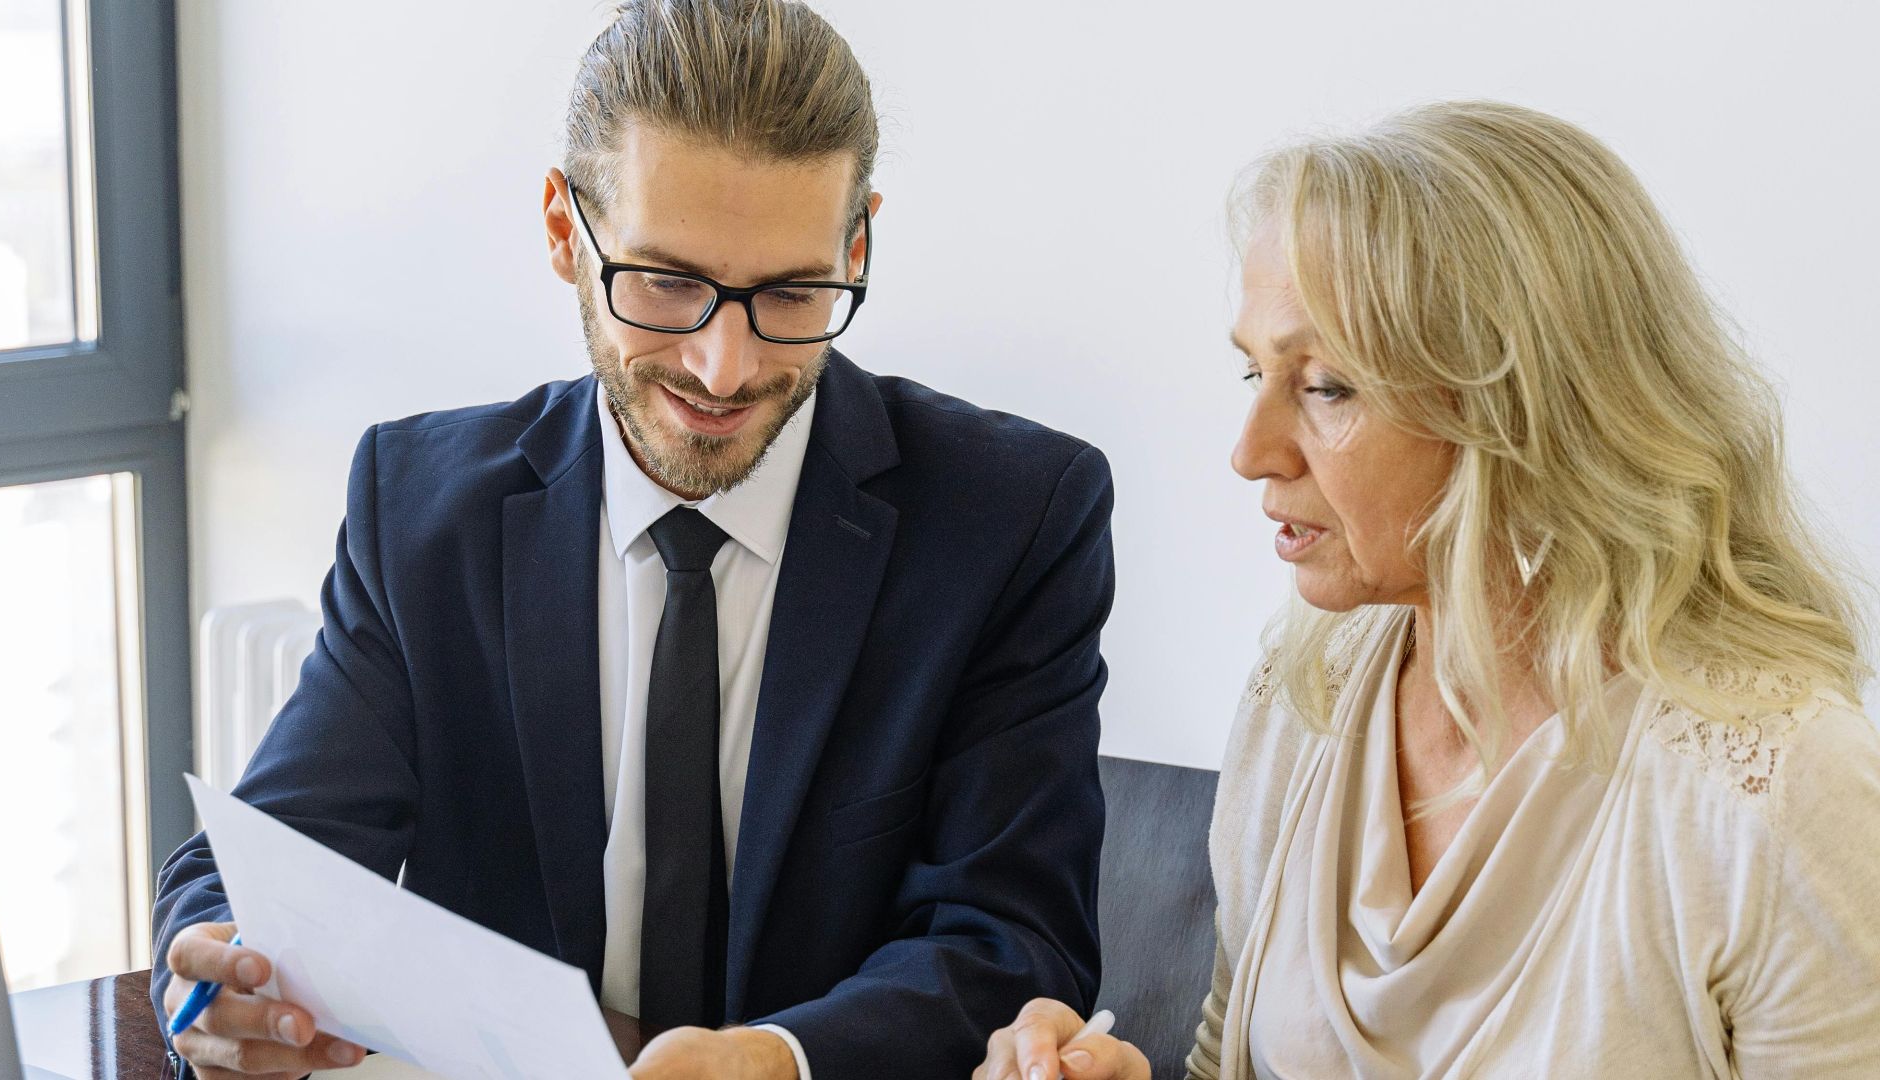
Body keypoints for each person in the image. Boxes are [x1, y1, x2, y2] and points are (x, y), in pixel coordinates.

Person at [152, 3, 1114, 1078]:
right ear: (566, 231)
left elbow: (1016, 942)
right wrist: (219, 970)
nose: (725, 367)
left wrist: (776, 1061)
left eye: (793, 293)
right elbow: (269, 861)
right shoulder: (423, 511)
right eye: (666, 283)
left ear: (857, 242)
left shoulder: (1014, 517)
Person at [976, 100, 1880, 1080]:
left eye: (1325, 387)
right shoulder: (1304, 689)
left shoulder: (1787, 791)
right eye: (1255, 375)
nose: (1250, 454)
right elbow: (1226, 1056)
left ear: (1524, 409)